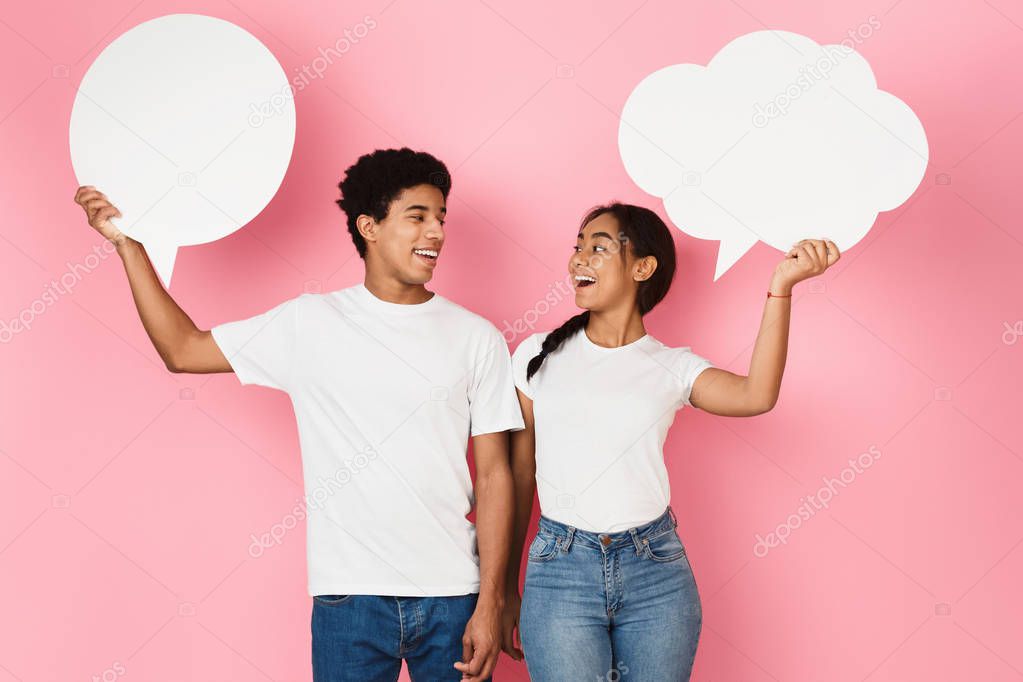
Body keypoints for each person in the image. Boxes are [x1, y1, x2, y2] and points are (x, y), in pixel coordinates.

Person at [73, 147, 523, 682]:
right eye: (418, 216)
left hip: (453, 596)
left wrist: (492, 602)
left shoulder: (476, 338)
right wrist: (129, 246)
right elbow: (183, 349)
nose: (437, 233)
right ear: (369, 226)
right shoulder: (310, 323)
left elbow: (496, 476)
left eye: (441, 218)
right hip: (348, 600)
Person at [499, 202, 839, 680]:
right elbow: (519, 477)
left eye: (598, 249)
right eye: (577, 249)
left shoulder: (672, 367)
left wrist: (780, 288)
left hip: (655, 570)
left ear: (643, 267)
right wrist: (503, 588)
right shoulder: (536, 355)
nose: (578, 260)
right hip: (560, 570)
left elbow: (756, 394)